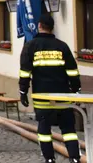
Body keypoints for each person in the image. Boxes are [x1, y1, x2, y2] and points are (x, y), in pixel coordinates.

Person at [19, 13, 81, 163]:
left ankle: (49, 159)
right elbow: (72, 71)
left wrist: (23, 91)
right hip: (62, 96)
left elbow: (25, 72)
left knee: (44, 129)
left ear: (39, 26)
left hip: (42, 96)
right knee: (68, 129)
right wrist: (76, 90)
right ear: (52, 28)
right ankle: (74, 158)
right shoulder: (62, 46)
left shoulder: (31, 46)